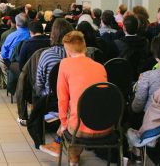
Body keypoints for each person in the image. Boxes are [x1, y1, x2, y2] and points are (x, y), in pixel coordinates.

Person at [40, 31, 108, 164]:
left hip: (79, 130)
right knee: (81, 107)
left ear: (67, 51)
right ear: (85, 47)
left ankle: (70, 155)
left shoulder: (65, 64)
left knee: (72, 113)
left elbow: (62, 98)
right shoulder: (100, 67)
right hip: (106, 127)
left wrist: (63, 124)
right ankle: (65, 151)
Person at [27, 19, 73, 148]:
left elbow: (39, 83)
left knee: (36, 91)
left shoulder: (46, 55)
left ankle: (39, 132)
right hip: (72, 99)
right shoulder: (75, 56)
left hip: (51, 100)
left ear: (53, 34)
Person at [114, 15, 150, 79]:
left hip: (123, 76)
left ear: (124, 28)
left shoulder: (117, 43)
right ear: (137, 27)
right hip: (141, 76)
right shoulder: (145, 42)